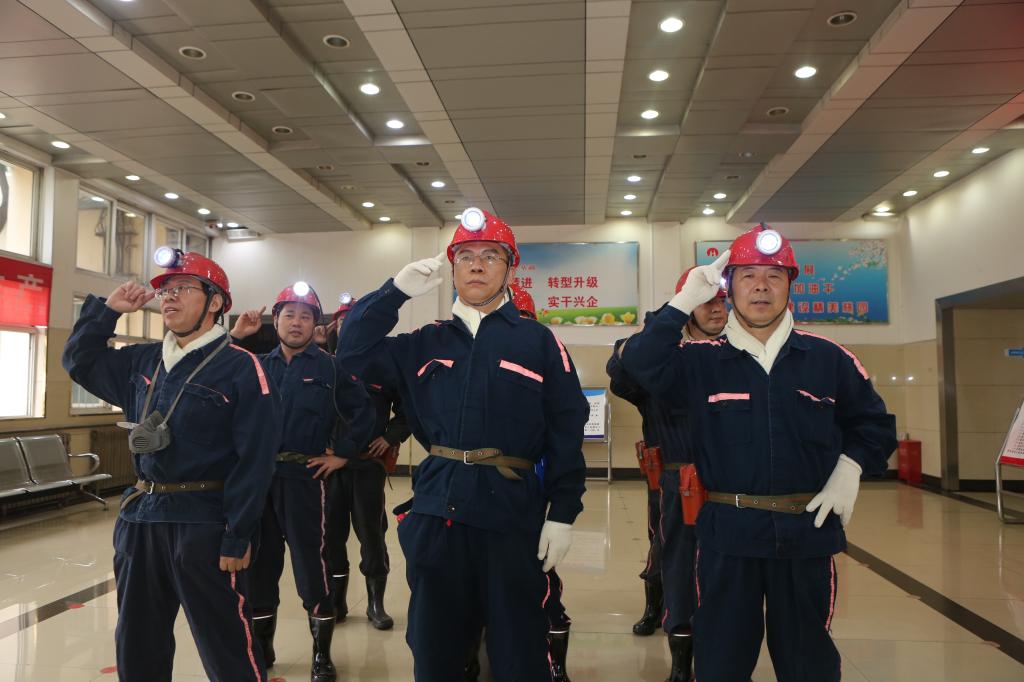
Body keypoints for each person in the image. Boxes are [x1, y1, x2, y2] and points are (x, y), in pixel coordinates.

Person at [619, 224, 897, 681]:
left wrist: (851, 467)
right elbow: (636, 363)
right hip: (727, 535)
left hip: (807, 532)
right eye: (747, 276)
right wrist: (681, 304)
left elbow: (875, 426)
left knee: (808, 662)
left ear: (790, 285)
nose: (761, 286)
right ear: (729, 289)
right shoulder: (700, 360)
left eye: (774, 275)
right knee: (721, 661)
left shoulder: (829, 358)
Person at [336, 207, 589, 681]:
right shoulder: (423, 343)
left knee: (518, 653)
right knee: (435, 651)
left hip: (511, 515)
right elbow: (352, 352)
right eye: (466, 256)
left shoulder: (539, 343)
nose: (477, 265)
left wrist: (562, 512)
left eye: (491, 256)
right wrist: (394, 292)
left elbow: (566, 428)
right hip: (438, 511)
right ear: (451, 269)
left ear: (509, 269)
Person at [62, 248, 281, 682]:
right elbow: (79, 362)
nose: (170, 297)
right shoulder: (142, 361)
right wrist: (107, 313)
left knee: (226, 646)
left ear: (215, 302)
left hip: (205, 523)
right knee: (137, 641)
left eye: (183, 288)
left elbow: (255, 460)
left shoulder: (241, 367)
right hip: (141, 518)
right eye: (165, 290)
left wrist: (238, 534)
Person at [231, 282, 373, 681]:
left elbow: (363, 412)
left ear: (316, 325)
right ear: (275, 321)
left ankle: (321, 655)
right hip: (259, 481)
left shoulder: (330, 368)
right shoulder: (255, 365)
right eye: (289, 315)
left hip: (305, 480)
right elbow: (211, 378)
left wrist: (343, 453)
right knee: (259, 566)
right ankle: (263, 647)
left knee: (313, 565)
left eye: (305, 316)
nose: (296, 322)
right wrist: (235, 338)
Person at [606, 268, 727, 681]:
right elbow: (621, 368)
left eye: (721, 301)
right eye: (705, 301)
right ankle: (676, 651)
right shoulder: (659, 362)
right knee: (670, 560)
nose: (716, 309)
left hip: (729, 483)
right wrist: (667, 318)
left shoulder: (736, 357)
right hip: (675, 483)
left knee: (727, 571)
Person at [463, 283, 575, 682]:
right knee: (476, 589)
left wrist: (561, 512)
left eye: (525, 321)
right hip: (485, 501)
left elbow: (566, 429)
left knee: (541, 589)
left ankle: (553, 663)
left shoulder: (548, 356)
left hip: (532, 500)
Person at [324, 294, 413, 631]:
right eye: (342, 320)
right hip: (328, 467)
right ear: (334, 326)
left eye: (353, 320)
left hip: (366, 465)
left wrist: (389, 437)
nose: (347, 325)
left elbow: (407, 411)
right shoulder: (321, 364)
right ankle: (337, 601)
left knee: (371, 535)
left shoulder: (383, 367)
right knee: (331, 535)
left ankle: (376, 603)